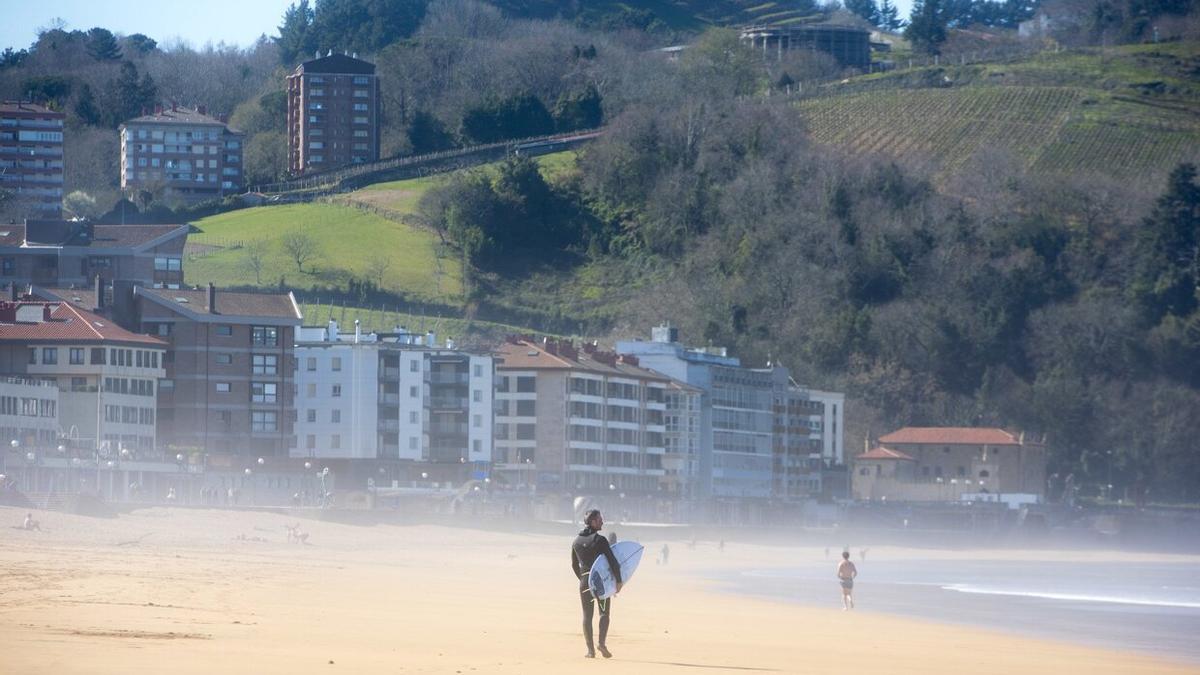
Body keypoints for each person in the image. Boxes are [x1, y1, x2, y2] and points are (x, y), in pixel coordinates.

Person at [571, 509, 622, 659]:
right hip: (601, 584)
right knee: (604, 612)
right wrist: (618, 580)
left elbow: (574, 565)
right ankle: (601, 643)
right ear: (593, 522)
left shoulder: (576, 542)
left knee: (587, 615)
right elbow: (613, 561)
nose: (602, 522)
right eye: (600, 520)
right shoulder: (600, 540)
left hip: (585, 583)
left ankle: (590, 651)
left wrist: (583, 580)